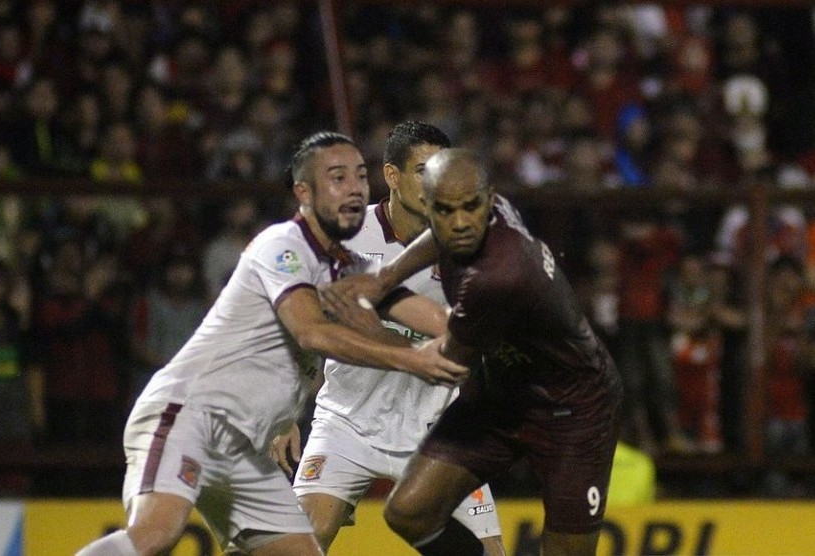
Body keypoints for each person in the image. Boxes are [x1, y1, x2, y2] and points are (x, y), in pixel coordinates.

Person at [75, 131, 468, 556]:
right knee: (155, 534)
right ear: (304, 192)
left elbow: (436, 321)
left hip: (244, 448)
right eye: (337, 177)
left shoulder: (351, 267)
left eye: (359, 175)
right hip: (190, 416)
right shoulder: (283, 247)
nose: (354, 187)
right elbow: (311, 332)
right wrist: (412, 358)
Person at [321, 148, 623, 555]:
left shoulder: (497, 278)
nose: (460, 222)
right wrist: (385, 276)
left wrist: (373, 318)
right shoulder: (491, 209)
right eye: (445, 210)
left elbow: (444, 365)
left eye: (469, 208)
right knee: (409, 512)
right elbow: (440, 238)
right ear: (430, 207)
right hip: (503, 393)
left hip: (574, 409)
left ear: (488, 198)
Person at [271, 122, 504, 554]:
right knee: (297, 544)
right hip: (346, 420)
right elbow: (297, 326)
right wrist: (284, 411)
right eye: (421, 170)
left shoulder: (468, 245)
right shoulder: (347, 237)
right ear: (392, 176)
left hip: (438, 428)